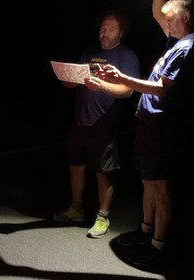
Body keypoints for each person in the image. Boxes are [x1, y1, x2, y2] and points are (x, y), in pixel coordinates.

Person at [94, 0, 194, 264]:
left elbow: (161, 89)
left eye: (170, 20)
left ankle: (157, 245)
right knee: (147, 180)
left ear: (185, 17)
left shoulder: (189, 45)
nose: (164, 25)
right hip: (148, 123)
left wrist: (123, 79)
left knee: (160, 185)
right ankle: (145, 231)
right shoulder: (174, 39)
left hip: (162, 125)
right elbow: (157, 11)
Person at [53, 8, 140, 239]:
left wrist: (101, 86)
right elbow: (80, 79)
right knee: (76, 166)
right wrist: (72, 82)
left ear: (121, 32)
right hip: (80, 121)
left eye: (111, 29)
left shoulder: (126, 56)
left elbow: (128, 91)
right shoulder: (89, 53)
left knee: (104, 172)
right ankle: (76, 208)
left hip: (104, 125)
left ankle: (103, 217)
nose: (105, 33)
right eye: (103, 28)